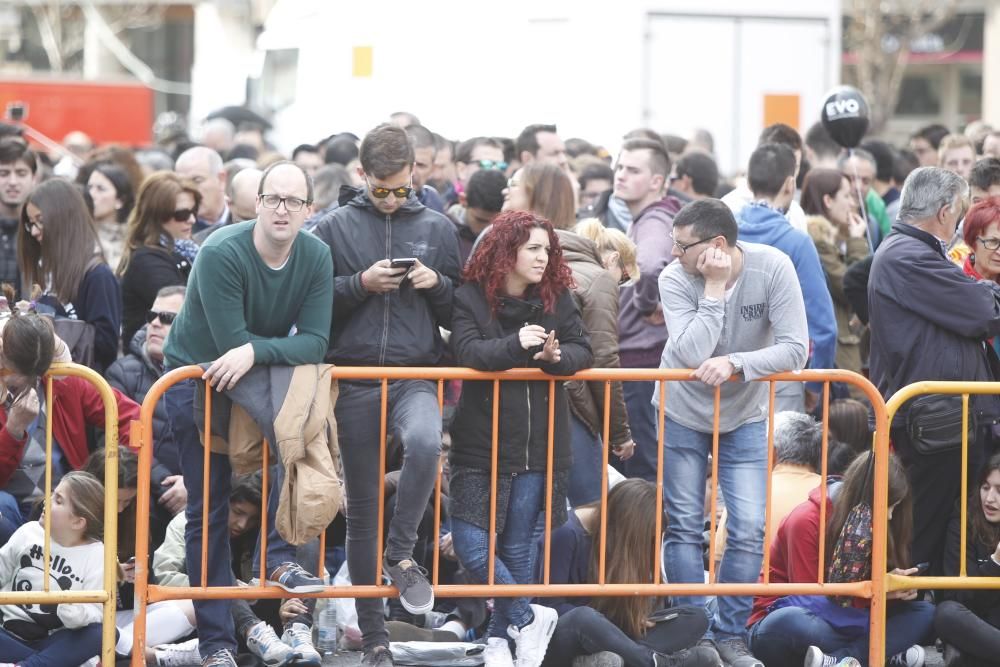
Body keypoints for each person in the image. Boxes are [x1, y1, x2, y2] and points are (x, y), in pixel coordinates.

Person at [162, 159, 333, 667]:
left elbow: (320, 342)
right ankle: (218, 642)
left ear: (309, 209)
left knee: (298, 458)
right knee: (208, 508)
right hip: (196, 375)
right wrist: (271, 347)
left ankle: (280, 571)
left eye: (294, 201)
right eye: (273, 199)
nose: (282, 209)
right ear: (256, 203)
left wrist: (258, 352)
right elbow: (227, 344)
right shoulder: (220, 251)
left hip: (255, 369)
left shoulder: (317, 254)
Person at [311, 123, 461, 667]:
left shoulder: (439, 228)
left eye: (403, 188)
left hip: (416, 373)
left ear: (415, 175)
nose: (395, 200)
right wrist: (360, 284)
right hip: (352, 379)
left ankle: (400, 553)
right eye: (383, 190)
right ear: (362, 176)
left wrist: (436, 285)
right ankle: (374, 639)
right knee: (362, 510)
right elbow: (313, 307)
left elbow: (458, 313)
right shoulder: (332, 227)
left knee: (426, 444)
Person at [658, 199, 809, 667]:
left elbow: (796, 350)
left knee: (748, 526)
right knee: (684, 525)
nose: (674, 253)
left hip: (744, 414)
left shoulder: (773, 267)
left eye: (681, 245)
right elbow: (689, 352)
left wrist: (738, 365)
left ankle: (731, 635)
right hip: (681, 410)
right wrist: (715, 288)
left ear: (717, 244)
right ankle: (692, 634)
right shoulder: (675, 277)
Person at [448, 210, 593, 667]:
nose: (542, 257)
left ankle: (500, 640)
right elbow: (468, 352)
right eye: (533, 248)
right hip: (480, 442)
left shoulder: (557, 297)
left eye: (546, 250)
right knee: (471, 544)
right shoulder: (471, 297)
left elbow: (582, 350)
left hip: (537, 443)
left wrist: (553, 357)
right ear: (505, 251)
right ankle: (528, 617)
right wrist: (518, 345)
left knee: (517, 546)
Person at [869, 167, 1000, 576]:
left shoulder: (916, 252)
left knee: (950, 531)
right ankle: (911, 621)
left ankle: (937, 620)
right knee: (924, 530)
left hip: (949, 417)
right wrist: (986, 291)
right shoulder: (906, 256)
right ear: (945, 212)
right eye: (960, 212)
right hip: (935, 420)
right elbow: (981, 311)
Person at [504, 164, 635, 504]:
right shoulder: (496, 260)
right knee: (577, 515)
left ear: (536, 196)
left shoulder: (590, 276)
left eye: (514, 184)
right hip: (533, 407)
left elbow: (601, 358)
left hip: (551, 406)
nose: (506, 190)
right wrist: (618, 431)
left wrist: (616, 429)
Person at [746, 453, 933, 667]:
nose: (891, 516)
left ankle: (842, 659)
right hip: (788, 617)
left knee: (924, 612)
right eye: (888, 506)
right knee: (793, 622)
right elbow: (811, 600)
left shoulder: (881, 524)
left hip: (849, 619)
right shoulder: (806, 520)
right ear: (865, 499)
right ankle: (881, 654)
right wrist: (877, 592)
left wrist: (896, 589)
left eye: (895, 507)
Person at [539, 479, 716, 667]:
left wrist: (635, 618)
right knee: (584, 617)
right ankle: (653, 661)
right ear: (626, 525)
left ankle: (622, 658)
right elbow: (550, 606)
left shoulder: (622, 537)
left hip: (616, 630)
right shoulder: (564, 533)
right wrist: (604, 625)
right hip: (569, 633)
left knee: (696, 617)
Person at [736, 143, 837, 413]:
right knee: (779, 455)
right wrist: (814, 384)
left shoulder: (724, 233)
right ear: (790, 184)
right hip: (779, 378)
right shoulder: (796, 242)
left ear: (748, 181)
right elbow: (824, 326)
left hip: (724, 377)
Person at [614, 138, 681, 482]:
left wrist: (647, 304)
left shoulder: (654, 220)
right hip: (640, 360)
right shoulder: (647, 218)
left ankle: (646, 537)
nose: (621, 175)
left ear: (657, 180)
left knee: (642, 472)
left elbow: (652, 265)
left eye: (633, 170)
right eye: (620, 167)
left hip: (641, 361)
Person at [0, 471, 106, 666]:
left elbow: (96, 612)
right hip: (7, 632)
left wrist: (74, 612)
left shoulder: (97, 554)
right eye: (52, 494)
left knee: (103, 634)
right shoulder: (28, 532)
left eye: (58, 500)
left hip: (53, 640)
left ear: (78, 522)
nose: (45, 502)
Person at [18, 178, 122, 372]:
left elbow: (106, 348)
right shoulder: (42, 268)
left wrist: (48, 325)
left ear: (64, 219)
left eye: (40, 221)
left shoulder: (98, 276)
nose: (33, 231)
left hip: (80, 388)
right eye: (30, 223)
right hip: (47, 384)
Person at [714, 412, 824, 564]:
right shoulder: (833, 492)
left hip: (751, 586)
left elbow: (720, 562)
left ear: (772, 452)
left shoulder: (748, 493)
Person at [106, 286, 186, 475]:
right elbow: (114, 444)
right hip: (140, 492)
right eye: (151, 316)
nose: (155, 323)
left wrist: (192, 486)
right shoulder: (121, 373)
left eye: (167, 318)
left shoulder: (207, 376)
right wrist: (164, 484)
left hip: (195, 495)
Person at [800, 167, 870, 380]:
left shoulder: (833, 239)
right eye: (847, 195)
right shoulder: (817, 240)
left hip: (842, 346)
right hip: (837, 351)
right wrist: (857, 241)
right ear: (828, 201)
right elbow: (850, 284)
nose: (853, 203)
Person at [117, 171, 201, 346]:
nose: (191, 219)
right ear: (158, 215)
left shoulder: (190, 250)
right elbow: (187, 309)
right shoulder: (146, 261)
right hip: (152, 362)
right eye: (182, 214)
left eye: (194, 211)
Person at [935, 452, 1000, 664]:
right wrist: (995, 563)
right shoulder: (963, 520)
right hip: (974, 619)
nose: (990, 499)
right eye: (985, 487)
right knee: (946, 613)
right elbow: (959, 595)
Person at [722, 124, 808, 233]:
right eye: (782, 165)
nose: (791, 175)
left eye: (795, 167)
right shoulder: (729, 208)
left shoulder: (796, 213)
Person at [0, 139, 37, 289]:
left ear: (34, 178)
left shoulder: (45, 231)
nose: (13, 181)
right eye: (4, 173)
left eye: (21, 173)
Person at [87, 160, 136, 271]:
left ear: (120, 200)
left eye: (100, 189)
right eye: (89, 187)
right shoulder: (80, 236)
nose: (91, 194)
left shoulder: (133, 240)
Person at [175, 146, 230, 234]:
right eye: (183, 183)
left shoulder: (245, 218)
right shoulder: (174, 229)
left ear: (221, 179)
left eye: (197, 180)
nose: (189, 189)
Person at [405, 125, 447, 214]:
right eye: (406, 163)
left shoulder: (434, 202)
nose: (413, 172)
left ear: (432, 169)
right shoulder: (373, 197)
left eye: (421, 165)